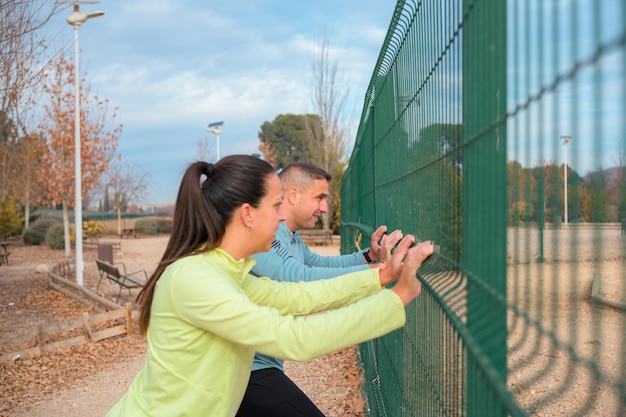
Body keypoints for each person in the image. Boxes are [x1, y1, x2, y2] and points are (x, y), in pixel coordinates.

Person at [106, 155, 434, 417]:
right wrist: (398, 297)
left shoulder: (226, 272)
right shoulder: (196, 279)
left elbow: (294, 296)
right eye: (276, 206)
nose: (281, 217)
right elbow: (293, 338)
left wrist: (381, 276)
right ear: (248, 214)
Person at [237, 162, 402, 417]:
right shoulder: (264, 238)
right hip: (249, 371)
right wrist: (379, 275)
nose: (325, 208)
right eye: (320, 198)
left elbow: (317, 265)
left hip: (259, 367)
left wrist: (369, 257)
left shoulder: (289, 236)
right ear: (293, 195)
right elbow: (299, 280)